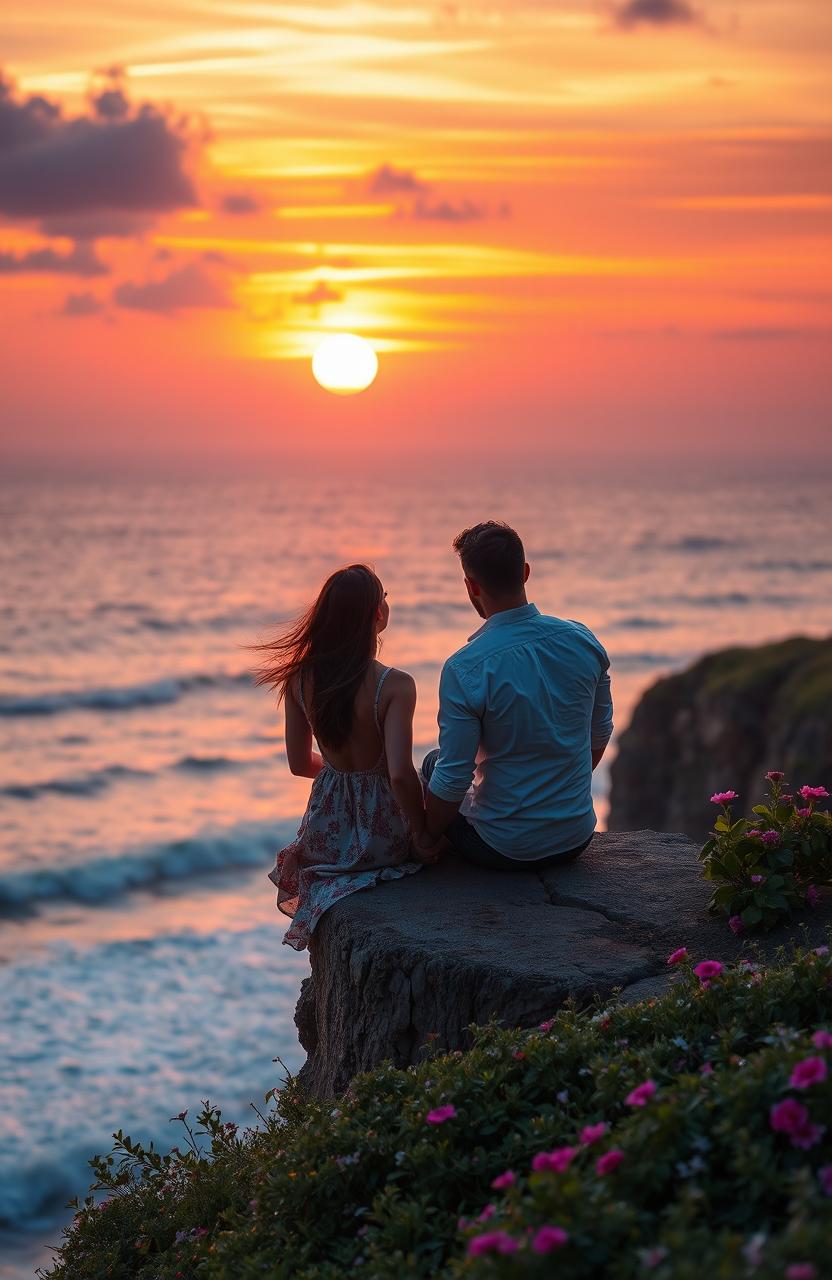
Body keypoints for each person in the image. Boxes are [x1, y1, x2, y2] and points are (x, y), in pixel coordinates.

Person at [254, 564, 434, 950]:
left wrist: (342, 775)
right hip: (384, 836)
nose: (387, 604)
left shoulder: (299, 679)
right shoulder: (395, 685)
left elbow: (300, 764)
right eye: (384, 597)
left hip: (327, 835)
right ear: (377, 614)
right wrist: (422, 833)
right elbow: (400, 775)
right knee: (438, 770)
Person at [417, 521, 613, 870]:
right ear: (525, 572)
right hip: (576, 837)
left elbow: (452, 778)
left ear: (471, 586)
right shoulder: (583, 640)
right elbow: (598, 736)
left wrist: (426, 837)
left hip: (504, 849)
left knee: (434, 763)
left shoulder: (466, 668)